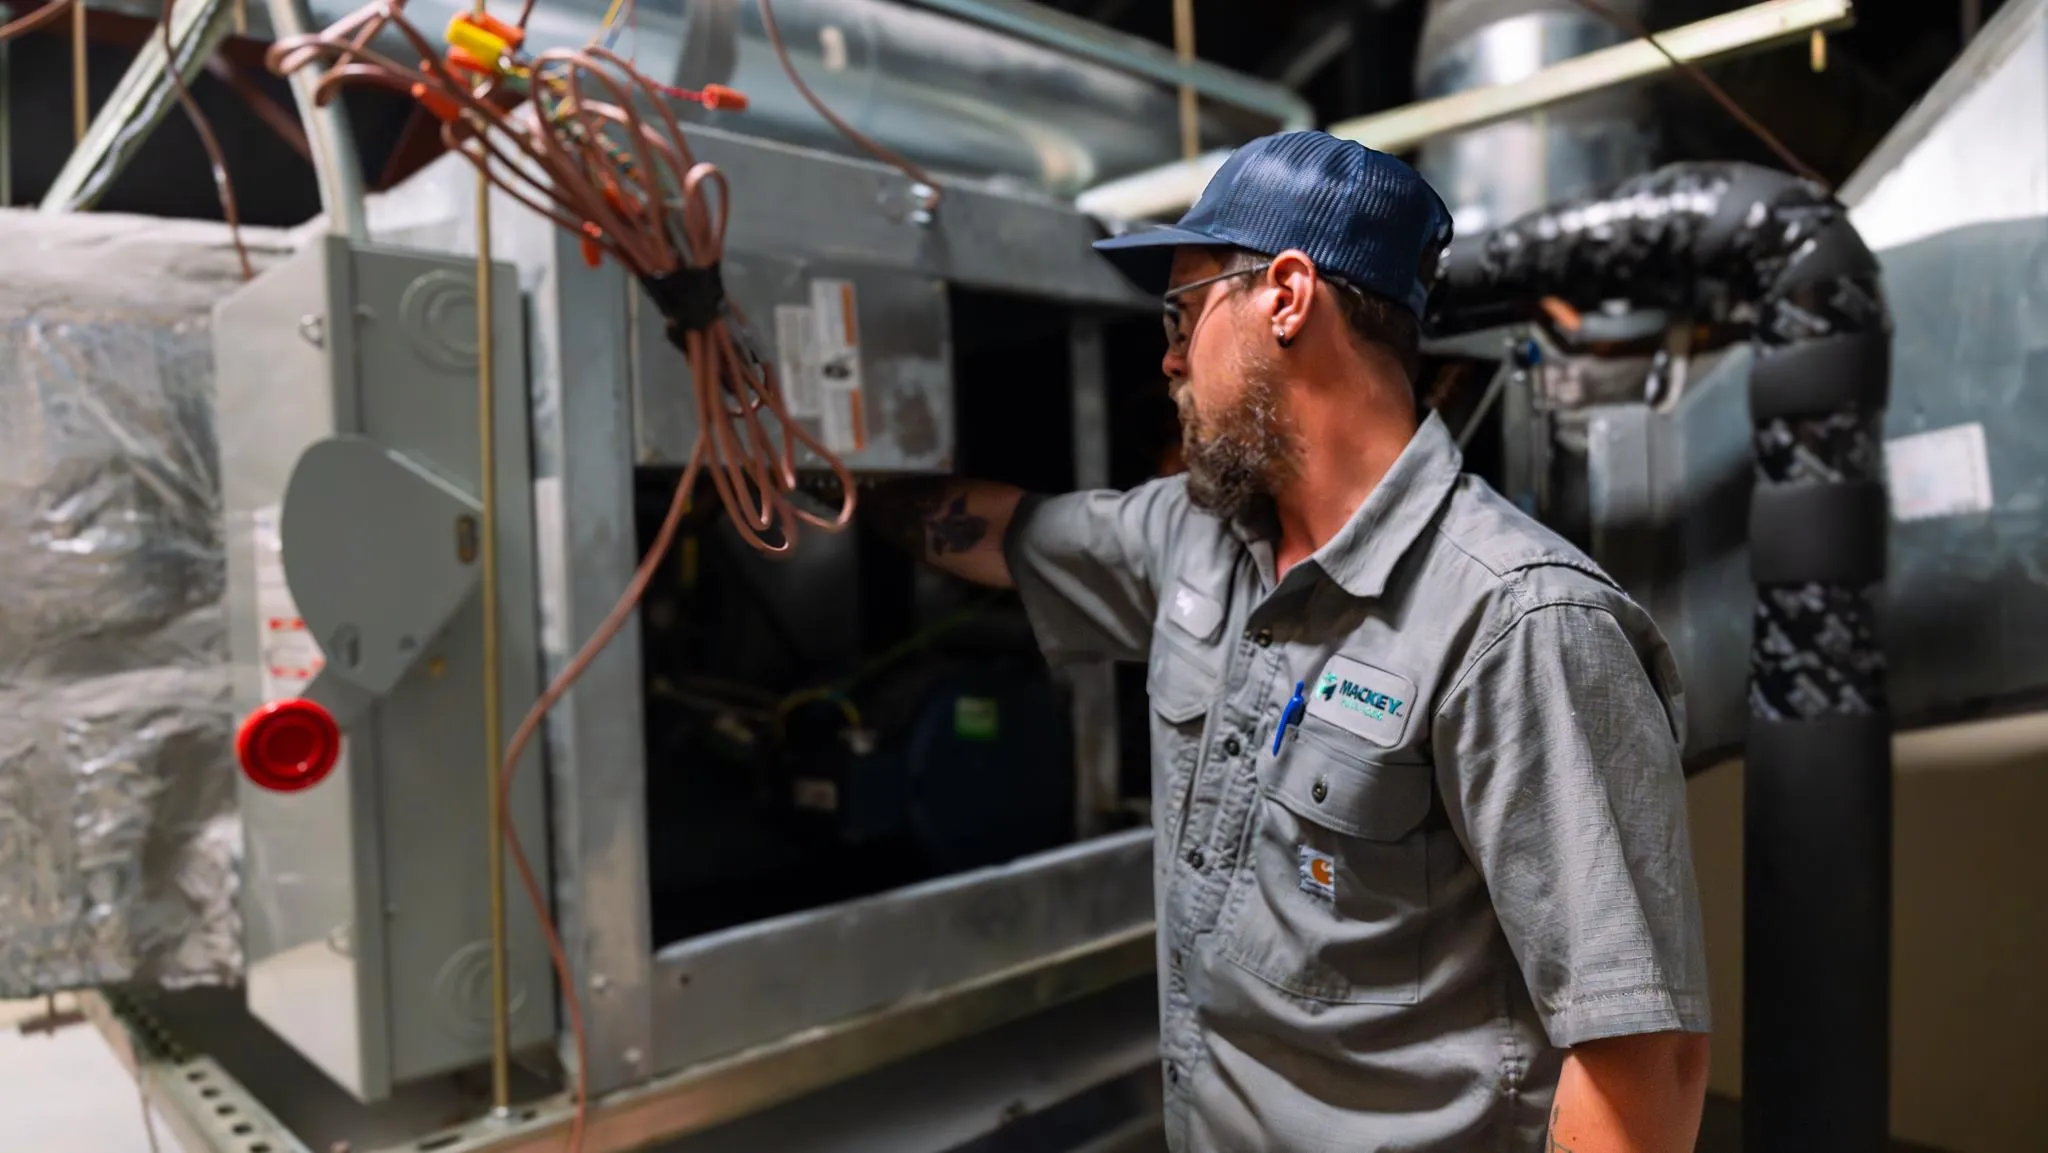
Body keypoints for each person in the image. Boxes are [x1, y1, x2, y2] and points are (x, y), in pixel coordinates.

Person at [866, 130, 1710, 1152]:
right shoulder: (1199, 536)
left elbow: (1641, 1071)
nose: (1169, 355)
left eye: (1180, 311)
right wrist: (816, 472)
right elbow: (1007, 532)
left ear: (1284, 295)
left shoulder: (1516, 623)